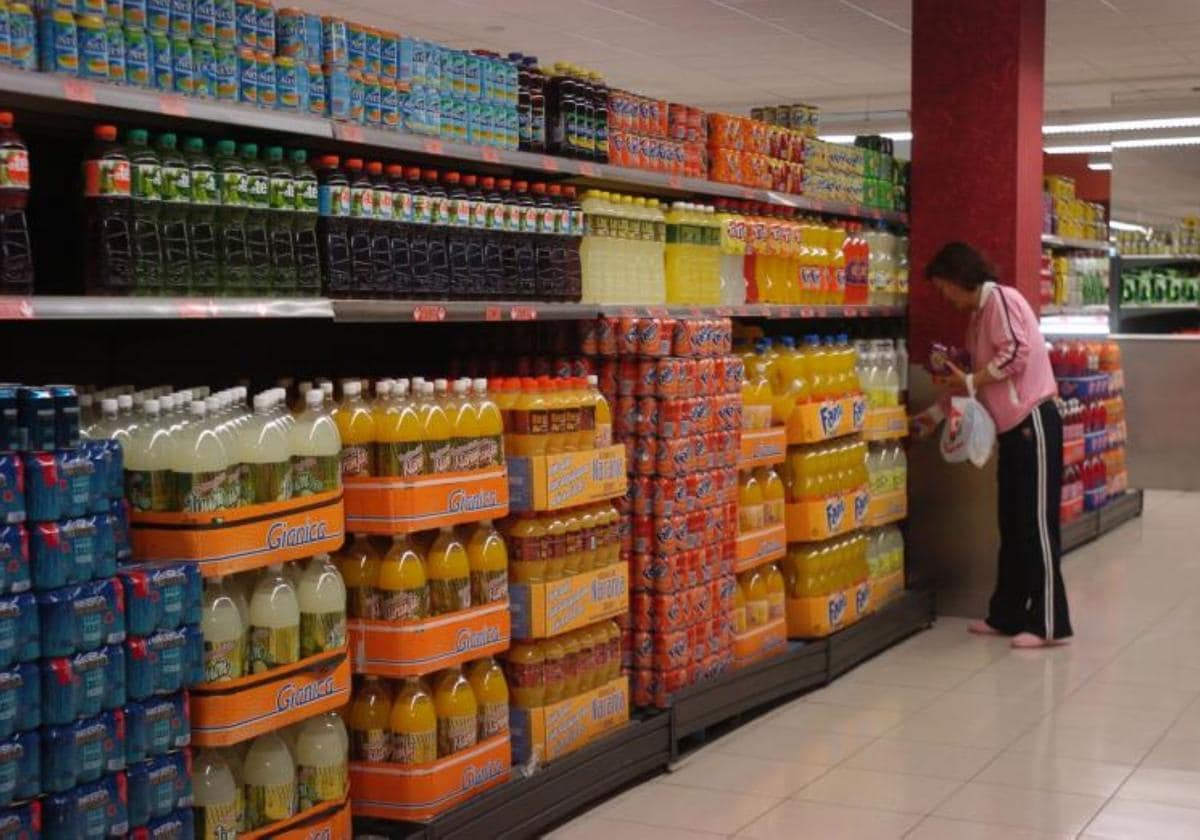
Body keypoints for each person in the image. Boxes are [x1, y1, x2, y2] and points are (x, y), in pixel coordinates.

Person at [913, 241, 1072, 649]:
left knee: (1035, 526)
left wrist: (970, 380)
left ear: (957, 277)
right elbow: (972, 376)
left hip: (1033, 422)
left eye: (943, 287)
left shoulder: (1000, 300)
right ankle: (1008, 612)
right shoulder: (978, 317)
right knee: (1012, 524)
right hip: (1011, 430)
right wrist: (934, 415)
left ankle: (1049, 622)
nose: (944, 297)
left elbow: (1016, 354)